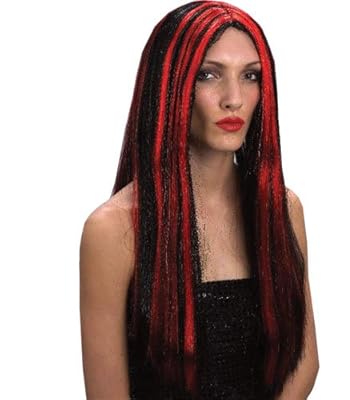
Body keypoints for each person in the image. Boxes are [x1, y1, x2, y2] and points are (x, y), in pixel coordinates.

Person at [79, 1, 319, 399]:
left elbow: (305, 361)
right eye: (208, 74)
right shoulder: (112, 230)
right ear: (169, 85)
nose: (233, 99)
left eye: (250, 76)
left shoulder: (282, 209)